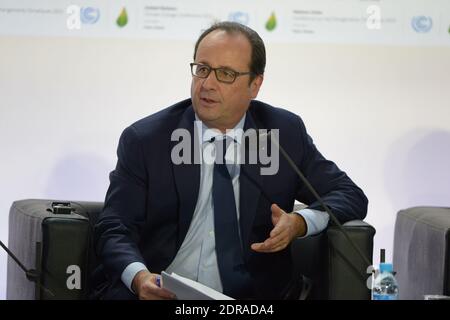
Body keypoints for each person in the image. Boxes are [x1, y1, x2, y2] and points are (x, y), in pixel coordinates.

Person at [92, 21, 368, 300]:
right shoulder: (147, 140)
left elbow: (349, 195)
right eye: (202, 69)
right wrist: (139, 277)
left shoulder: (283, 134)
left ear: (255, 85)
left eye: (225, 74)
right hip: (163, 293)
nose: (207, 84)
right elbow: (115, 227)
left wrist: (300, 222)